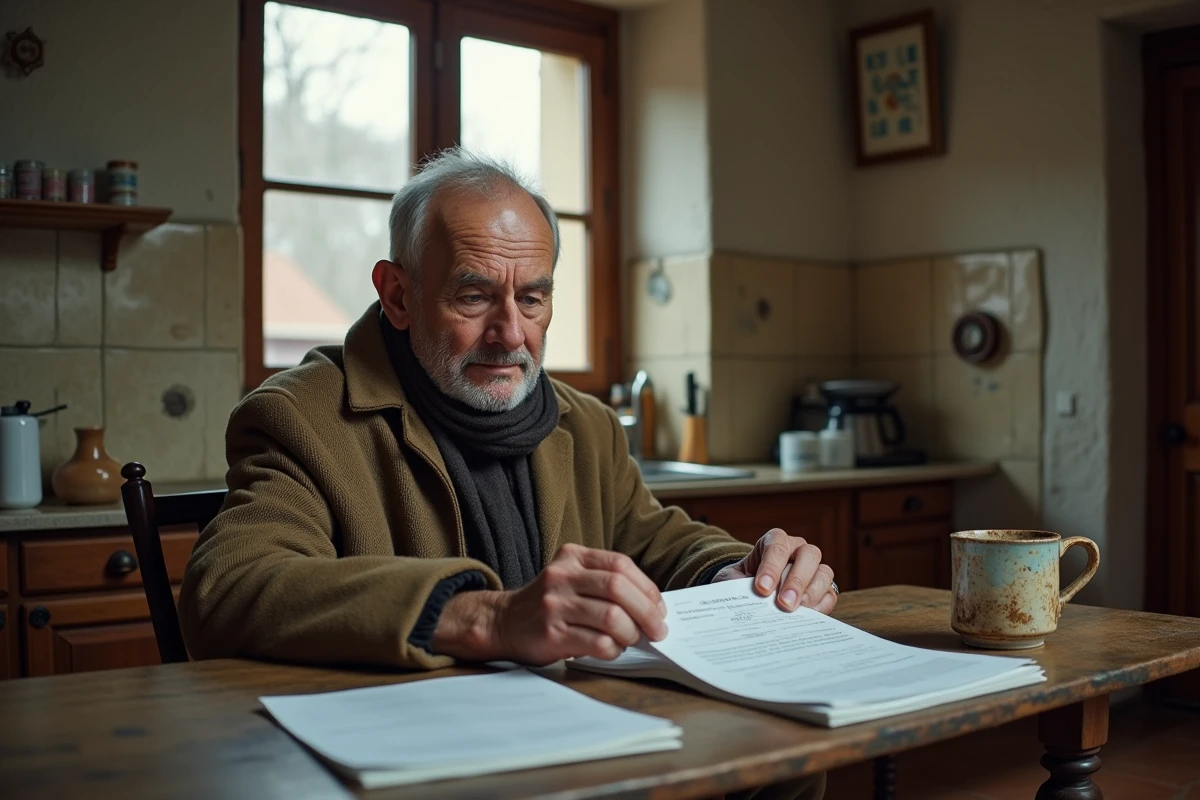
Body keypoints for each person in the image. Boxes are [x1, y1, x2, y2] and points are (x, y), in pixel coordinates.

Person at [179, 148, 835, 800]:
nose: (511, 334)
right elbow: (230, 586)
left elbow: (652, 537)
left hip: (588, 744)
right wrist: (487, 618)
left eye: (533, 298)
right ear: (398, 296)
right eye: (474, 297)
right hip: (417, 763)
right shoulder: (302, 416)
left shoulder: (587, 424)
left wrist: (739, 573)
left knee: (786, 763)